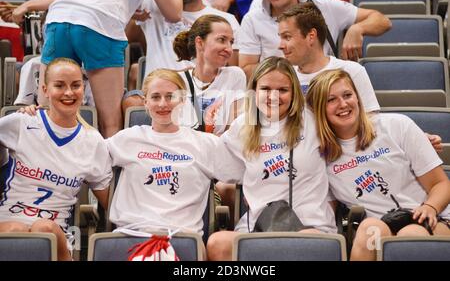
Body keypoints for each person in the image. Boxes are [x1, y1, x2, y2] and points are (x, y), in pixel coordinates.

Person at [306, 69, 450, 261]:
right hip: (385, 224)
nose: (343, 104)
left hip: (433, 217)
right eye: (331, 100)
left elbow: (440, 184)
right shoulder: (320, 157)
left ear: (358, 98)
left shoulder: (397, 126)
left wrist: (430, 208)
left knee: (409, 236)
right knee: (368, 230)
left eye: (348, 95)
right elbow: (328, 210)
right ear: (318, 110)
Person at [206, 56, 337, 261]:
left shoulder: (314, 121)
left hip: (311, 226)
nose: (273, 97)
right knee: (218, 244)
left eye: (282, 90)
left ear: (294, 93)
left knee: (306, 241)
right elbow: (214, 164)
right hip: (259, 226)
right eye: (266, 89)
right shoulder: (243, 126)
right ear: (254, 91)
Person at [38, 0, 185, 138]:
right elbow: (173, 13)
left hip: (58, 20)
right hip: (98, 25)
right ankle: (109, 166)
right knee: (110, 123)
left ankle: (43, 164)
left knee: (47, 112)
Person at [277, 3, 443, 152]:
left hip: (348, 160)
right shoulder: (283, 79)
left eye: (287, 37)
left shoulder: (351, 71)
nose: (280, 45)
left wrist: (412, 139)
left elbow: (372, 123)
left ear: (311, 36)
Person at [0, 58, 112, 261]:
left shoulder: (93, 141)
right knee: (14, 230)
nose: (69, 92)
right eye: (59, 85)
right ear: (45, 89)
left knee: (44, 229)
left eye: (76, 85)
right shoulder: (21, 122)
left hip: (56, 229)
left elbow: (111, 203)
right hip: (9, 218)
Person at [107, 69, 241, 237]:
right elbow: (90, 165)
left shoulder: (205, 143)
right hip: (130, 235)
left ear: (183, 100)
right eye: (155, 97)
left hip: (181, 237)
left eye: (170, 96)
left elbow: (243, 172)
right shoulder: (127, 139)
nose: (163, 104)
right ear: (145, 102)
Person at [238, 0, 391, 79]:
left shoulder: (324, 5)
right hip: (278, 97)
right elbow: (245, 69)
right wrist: (287, 70)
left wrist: (357, 29)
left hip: (324, 95)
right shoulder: (252, 19)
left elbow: (382, 20)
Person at [134, 0, 241, 78]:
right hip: (157, 93)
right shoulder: (151, 4)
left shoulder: (226, 20)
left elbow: (231, 75)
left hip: (204, 94)